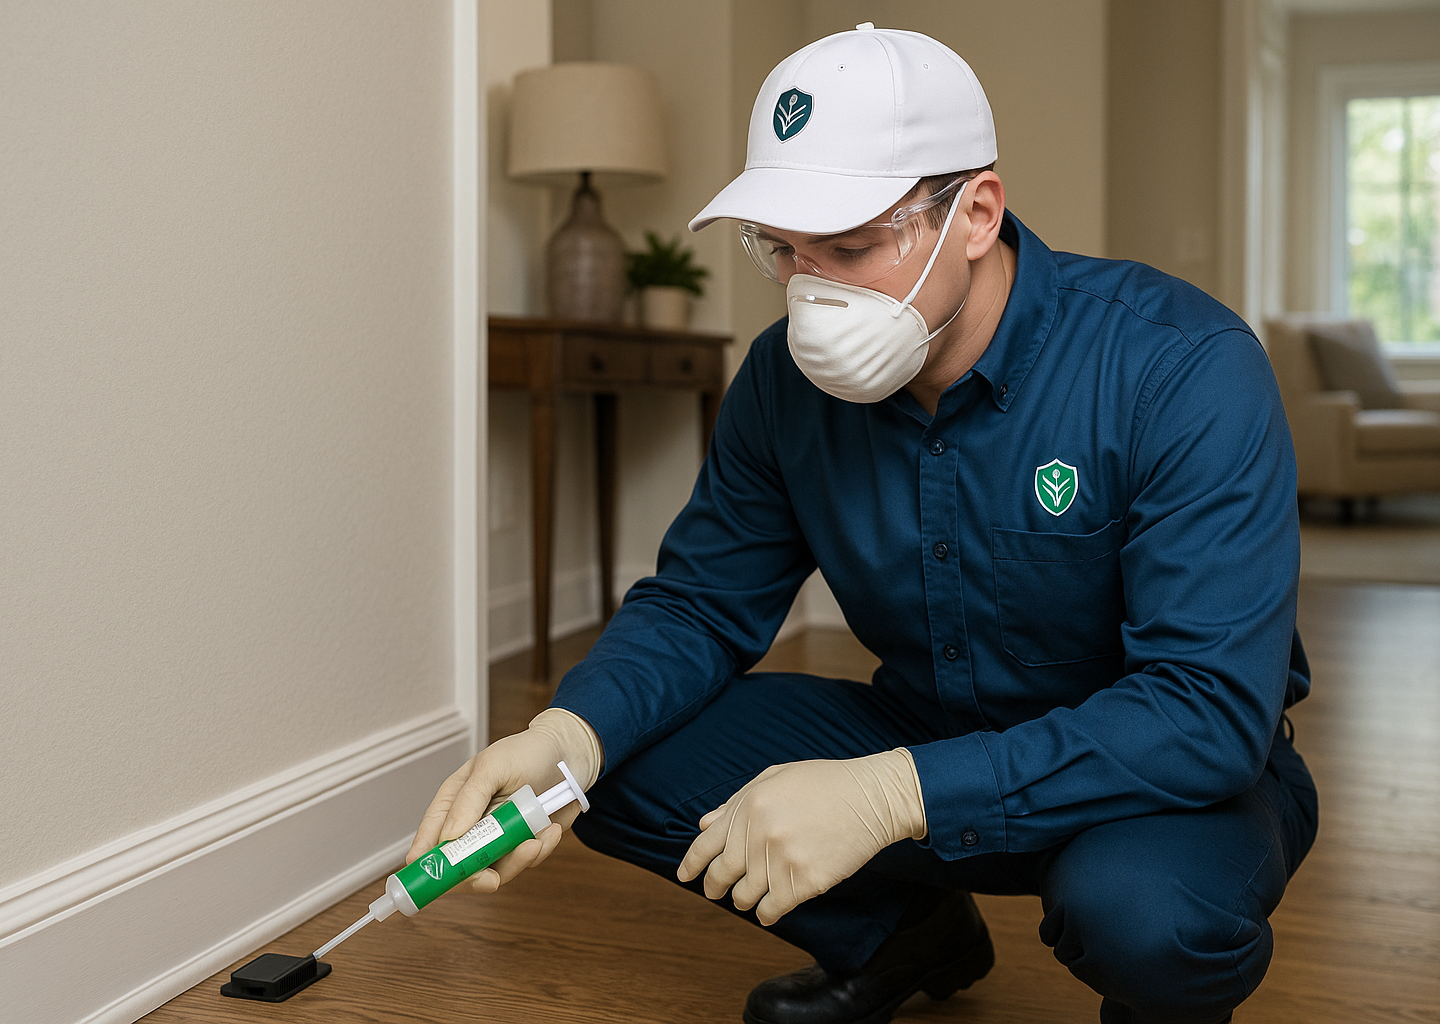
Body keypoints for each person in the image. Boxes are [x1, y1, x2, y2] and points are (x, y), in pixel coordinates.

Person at [409, 23, 1318, 1024]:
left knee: (1143, 913)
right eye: (783, 249)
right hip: (926, 725)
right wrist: (567, 734)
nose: (813, 290)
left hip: (1148, 774)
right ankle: (902, 935)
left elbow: (1204, 709)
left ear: (975, 212)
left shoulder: (1180, 367)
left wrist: (894, 796)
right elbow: (704, 601)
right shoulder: (780, 383)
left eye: (850, 246)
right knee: (619, 761)